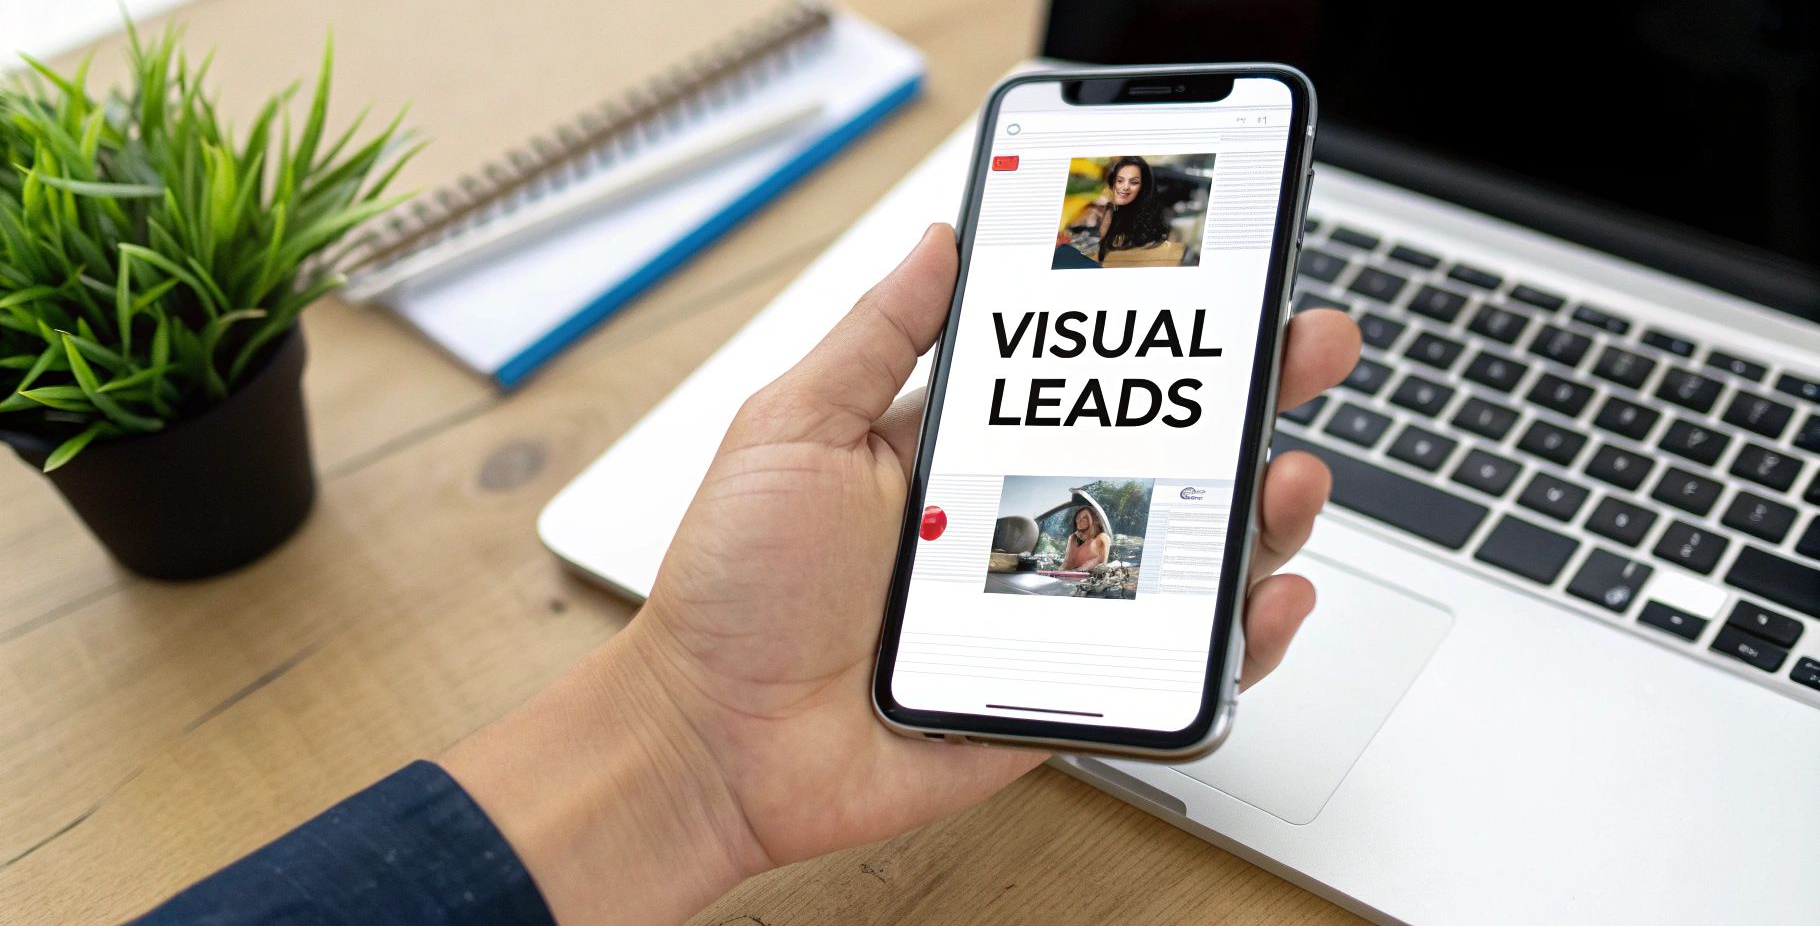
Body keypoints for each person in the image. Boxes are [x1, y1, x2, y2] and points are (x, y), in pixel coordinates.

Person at [133, 224, 1360, 926]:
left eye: (1094, 538)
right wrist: (692, 732)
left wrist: (687, 739)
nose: (1086, 545)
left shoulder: (1074, 557)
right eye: (1083, 535)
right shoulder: (1032, 554)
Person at [1092, 156, 1171, 260]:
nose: (1125, 187)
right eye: (1119, 181)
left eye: (1134, 182)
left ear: (1143, 186)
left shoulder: (1147, 221)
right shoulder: (1109, 207)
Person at [1061, 505, 1110, 571]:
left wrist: (1079, 570)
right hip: (1070, 577)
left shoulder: (1102, 537)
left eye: (1085, 517)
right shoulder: (1073, 538)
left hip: (1087, 577)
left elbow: (1100, 561)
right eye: (1078, 517)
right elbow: (1066, 564)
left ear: (1094, 520)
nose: (1080, 520)